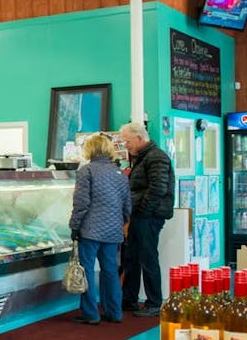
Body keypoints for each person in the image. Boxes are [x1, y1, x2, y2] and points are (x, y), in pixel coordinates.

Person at [69, 134, 131, 324]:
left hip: (90, 230)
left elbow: (81, 203)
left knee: (87, 270)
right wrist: (118, 223)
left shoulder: (86, 171)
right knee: (110, 270)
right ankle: (115, 312)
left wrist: (74, 226)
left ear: (90, 149)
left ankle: (91, 314)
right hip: (113, 232)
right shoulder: (119, 174)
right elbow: (127, 206)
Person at [119, 121, 175, 317]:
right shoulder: (144, 157)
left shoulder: (156, 157)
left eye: (127, 141)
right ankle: (129, 299)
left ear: (139, 138)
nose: (126, 145)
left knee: (147, 257)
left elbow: (158, 188)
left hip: (149, 216)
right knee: (132, 256)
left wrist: (143, 211)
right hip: (141, 215)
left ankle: (154, 303)